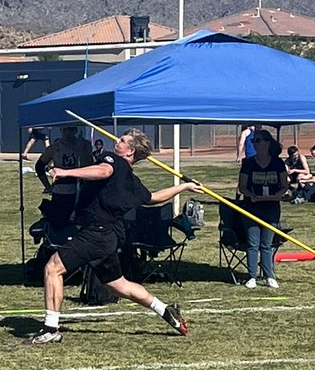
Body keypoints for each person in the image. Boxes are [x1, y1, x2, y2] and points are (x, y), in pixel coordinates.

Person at [26, 128, 199, 345]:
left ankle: (51, 329)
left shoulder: (113, 161)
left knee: (53, 268)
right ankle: (165, 310)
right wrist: (184, 186)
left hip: (95, 233)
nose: (117, 141)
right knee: (118, 285)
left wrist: (66, 172)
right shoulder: (130, 179)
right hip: (107, 236)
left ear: (130, 151)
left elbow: (103, 171)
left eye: (123, 140)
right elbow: (153, 198)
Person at [237, 128, 289, 288]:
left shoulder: (277, 162)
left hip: (271, 208)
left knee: (267, 244)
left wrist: (277, 195)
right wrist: (251, 195)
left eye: (258, 140)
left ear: (267, 143)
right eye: (254, 141)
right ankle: (251, 276)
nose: (255, 144)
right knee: (253, 243)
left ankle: (269, 275)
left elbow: (284, 185)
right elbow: (242, 186)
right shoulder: (249, 163)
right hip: (252, 207)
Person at [36, 124, 94, 227]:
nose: (68, 133)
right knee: (60, 223)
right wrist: (48, 186)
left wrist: (83, 151)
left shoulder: (83, 145)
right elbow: (39, 166)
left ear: (75, 130)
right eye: (65, 130)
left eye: (71, 130)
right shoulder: (56, 147)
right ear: (61, 130)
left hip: (79, 189)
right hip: (61, 191)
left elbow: (89, 166)